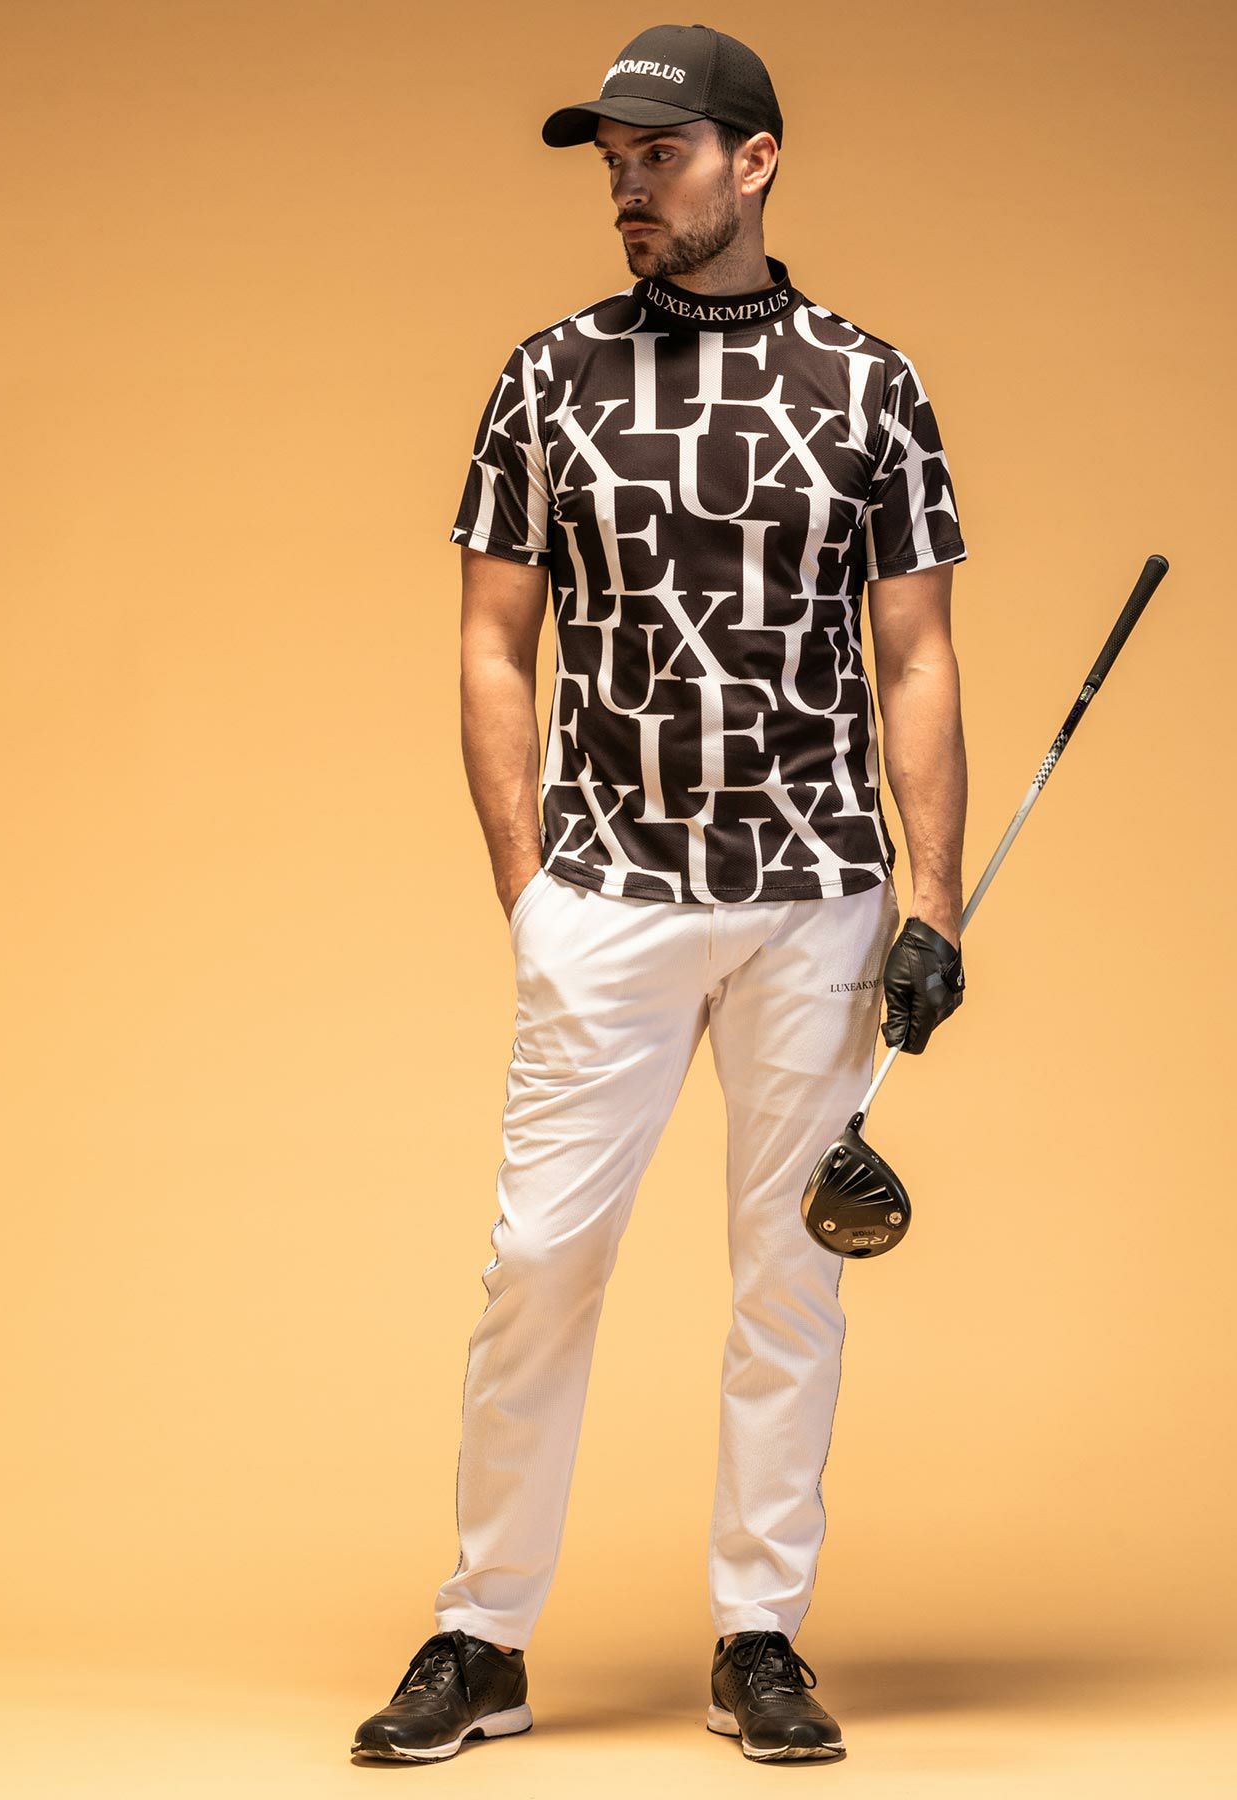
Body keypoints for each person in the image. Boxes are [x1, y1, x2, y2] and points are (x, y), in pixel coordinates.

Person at [352, 21, 969, 1768]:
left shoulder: (869, 387)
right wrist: (527, 888)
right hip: (607, 890)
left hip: (812, 892)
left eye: (660, 155)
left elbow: (916, 656)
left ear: (754, 161)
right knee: (542, 1262)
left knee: (791, 1278)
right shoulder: (546, 381)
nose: (628, 186)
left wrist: (933, 901)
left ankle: (757, 1635)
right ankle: (484, 1636)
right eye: (613, 162)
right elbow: (494, 642)